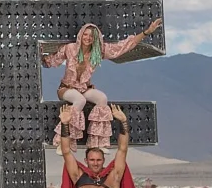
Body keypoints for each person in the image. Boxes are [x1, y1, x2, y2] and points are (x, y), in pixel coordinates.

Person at [43, 19, 162, 149]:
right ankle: (64, 142)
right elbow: (51, 61)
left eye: (91, 36)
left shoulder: (99, 50)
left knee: (102, 98)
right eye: (85, 34)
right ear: (81, 35)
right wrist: (39, 54)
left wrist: (146, 32)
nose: (87, 38)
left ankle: (96, 143)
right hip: (66, 88)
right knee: (80, 100)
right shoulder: (70, 48)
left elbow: (123, 46)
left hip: (84, 88)